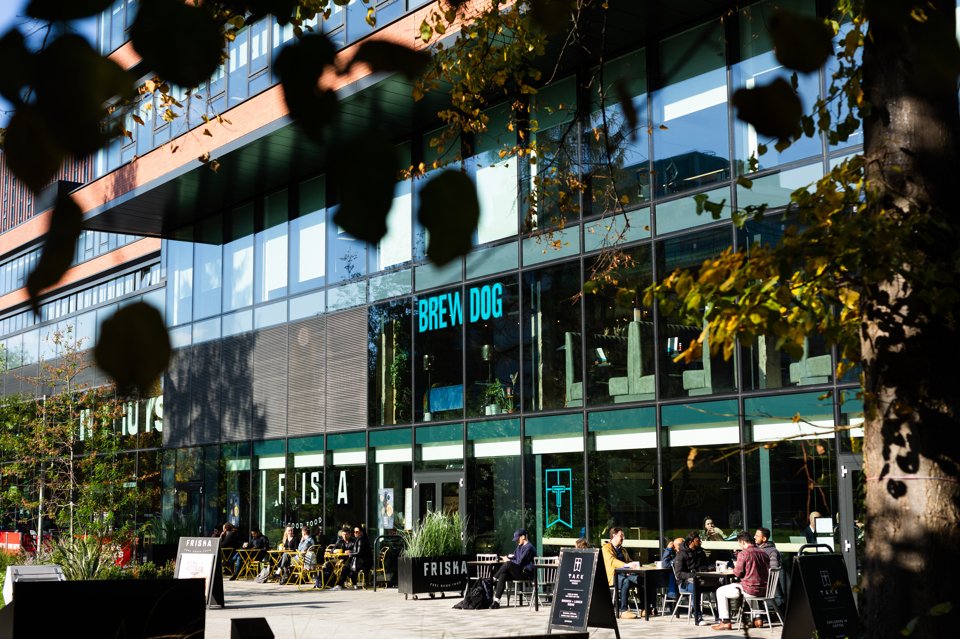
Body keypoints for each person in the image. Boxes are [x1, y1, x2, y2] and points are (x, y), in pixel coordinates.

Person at [711, 532, 770, 631]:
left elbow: (738, 573)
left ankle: (725, 621)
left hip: (750, 590)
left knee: (720, 591)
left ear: (742, 542)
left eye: (739, 543)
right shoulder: (763, 553)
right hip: (765, 589)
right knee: (749, 588)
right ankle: (758, 618)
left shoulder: (744, 553)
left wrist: (733, 568)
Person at [602, 526, 645, 619]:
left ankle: (644, 609)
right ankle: (623, 611)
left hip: (625, 574)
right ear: (614, 536)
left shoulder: (623, 549)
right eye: (621, 535)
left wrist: (633, 564)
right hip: (613, 576)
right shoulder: (605, 548)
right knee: (625, 581)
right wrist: (627, 565)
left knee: (641, 580)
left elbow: (629, 561)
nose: (623, 538)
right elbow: (612, 561)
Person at [675, 532, 716, 626]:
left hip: (701, 579)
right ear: (691, 542)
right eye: (698, 540)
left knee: (718, 585)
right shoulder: (681, 554)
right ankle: (697, 616)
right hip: (685, 583)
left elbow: (706, 564)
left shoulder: (700, 552)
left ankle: (720, 617)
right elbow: (679, 574)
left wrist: (712, 567)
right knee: (695, 587)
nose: (700, 542)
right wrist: (692, 575)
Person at [489, 528, 535, 609]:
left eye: (518, 539)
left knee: (508, 564)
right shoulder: (519, 547)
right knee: (503, 575)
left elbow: (519, 562)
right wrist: (508, 558)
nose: (517, 541)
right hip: (519, 571)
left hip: (526, 573)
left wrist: (508, 561)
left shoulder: (529, 547)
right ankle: (496, 602)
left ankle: (493, 579)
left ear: (523, 537)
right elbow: (515, 558)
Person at [345, 524, 373, 589]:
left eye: (357, 532)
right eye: (354, 532)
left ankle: (355, 584)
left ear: (361, 532)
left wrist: (350, 554)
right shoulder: (361, 538)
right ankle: (355, 584)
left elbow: (359, 552)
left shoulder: (361, 540)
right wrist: (351, 552)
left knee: (347, 567)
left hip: (364, 562)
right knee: (348, 566)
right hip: (365, 561)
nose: (355, 533)